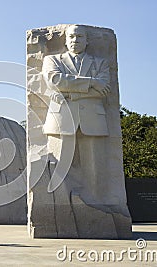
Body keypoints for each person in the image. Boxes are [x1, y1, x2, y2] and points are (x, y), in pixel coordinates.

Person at [41, 24, 111, 196]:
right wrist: (91, 82)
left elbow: (104, 90)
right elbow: (55, 81)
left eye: (80, 37)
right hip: (60, 120)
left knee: (94, 167)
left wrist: (71, 95)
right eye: (71, 37)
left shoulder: (100, 63)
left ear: (87, 41)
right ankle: (61, 202)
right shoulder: (52, 60)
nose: (75, 40)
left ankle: (96, 201)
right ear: (65, 40)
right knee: (57, 164)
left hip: (93, 120)